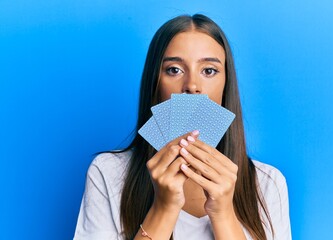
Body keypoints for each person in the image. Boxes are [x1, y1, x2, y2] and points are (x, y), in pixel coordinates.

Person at [73, 14, 291, 240]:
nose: (192, 86)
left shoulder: (267, 184)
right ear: (155, 83)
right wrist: (163, 208)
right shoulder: (109, 172)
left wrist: (224, 214)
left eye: (208, 70)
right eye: (174, 70)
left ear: (226, 85)